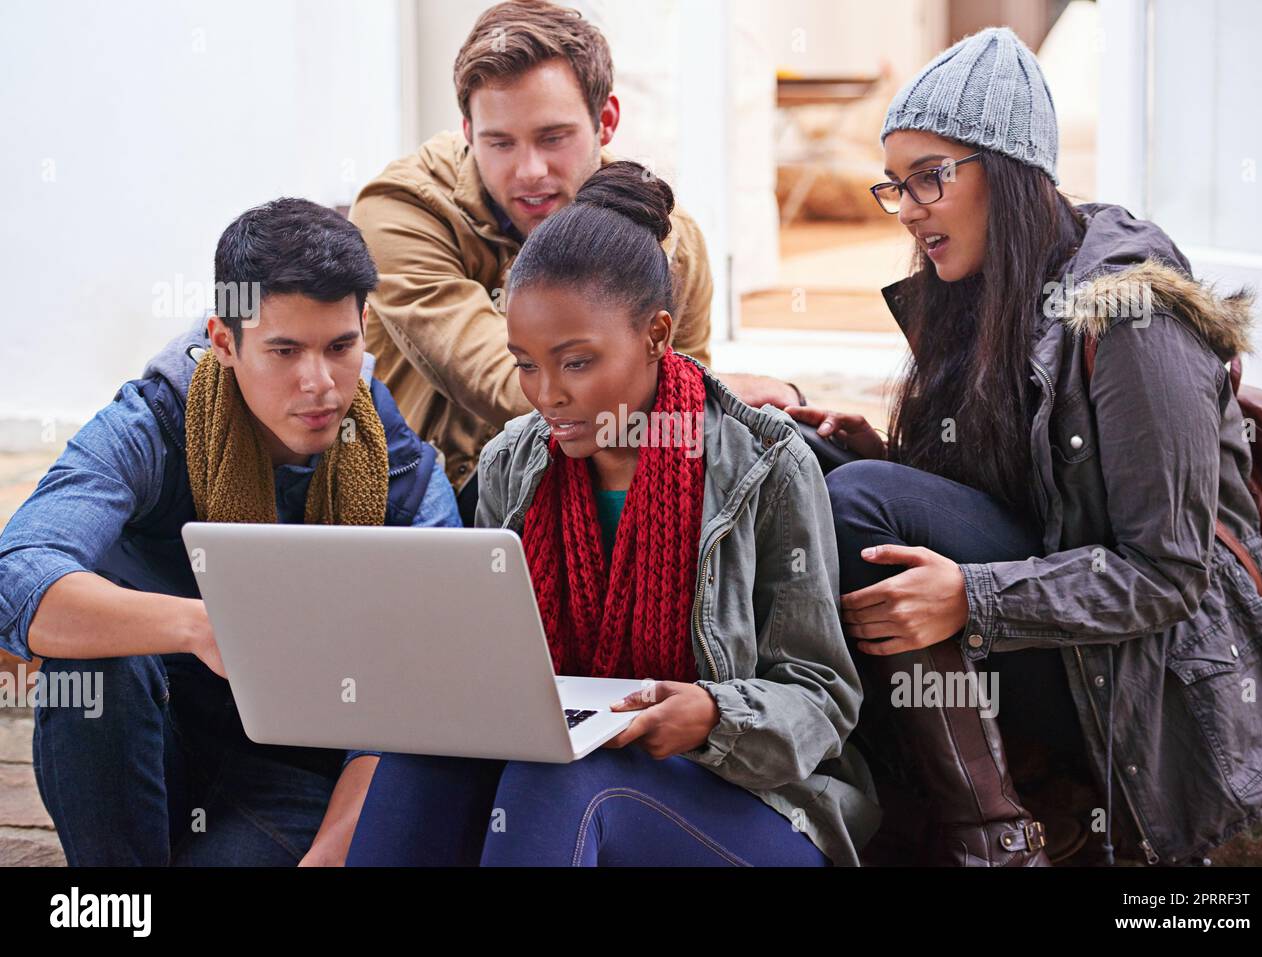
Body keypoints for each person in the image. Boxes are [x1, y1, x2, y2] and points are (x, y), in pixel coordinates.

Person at [789, 26, 1262, 867]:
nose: (909, 207)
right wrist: (879, 447)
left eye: (931, 177)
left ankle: (996, 840)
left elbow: (1168, 574)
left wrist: (974, 599)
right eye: (896, 185)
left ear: (1013, 172)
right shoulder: (982, 289)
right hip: (1060, 634)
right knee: (820, 471)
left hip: (1151, 674)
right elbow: (1020, 497)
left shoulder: (1133, 315)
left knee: (862, 504)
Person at [345, 162, 878, 867]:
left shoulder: (765, 463)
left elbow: (822, 697)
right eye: (525, 364)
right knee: (420, 763)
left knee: (562, 776)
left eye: (575, 362)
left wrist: (713, 717)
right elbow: (490, 664)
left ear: (657, 335)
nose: (546, 395)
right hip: (571, 773)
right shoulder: (514, 463)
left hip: (756, 803)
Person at [0, 198, 461, 866]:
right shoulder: (154, 422)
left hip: (290, 777)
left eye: (339, 347)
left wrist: (332, 854)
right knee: (98, 667)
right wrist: (206, 625)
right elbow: (18, 572)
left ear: (365, 329)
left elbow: (427, 669)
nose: (319, 383)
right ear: (223, 340)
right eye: (283, 350)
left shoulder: (394, 459)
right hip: (147, 737)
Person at [351, 0, 804, 526]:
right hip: (442, 497)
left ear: (606, 120)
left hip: (609, 482)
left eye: (553, 137)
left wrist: (750, 404)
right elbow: (506, 383)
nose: (530, 171)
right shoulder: (401, 211)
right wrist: (707, 397)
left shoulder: (668, 236)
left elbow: (685, 414)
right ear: (468, 132)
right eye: (500, 142)